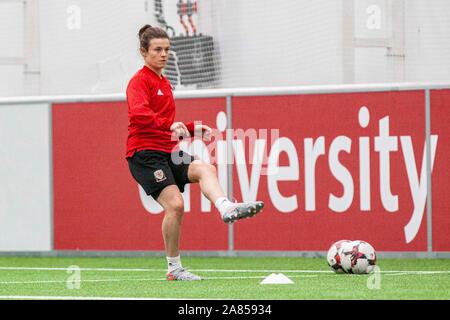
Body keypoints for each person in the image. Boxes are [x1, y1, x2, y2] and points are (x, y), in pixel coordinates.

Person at [126, 25, 264, 281]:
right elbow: (139, 114)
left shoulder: (164, 82)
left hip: (167, 150)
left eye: (167, 49)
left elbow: (166, 121)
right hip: (144, 154)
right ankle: (174, 268)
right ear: (144, 52)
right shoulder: (139, 81)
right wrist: (171, 126)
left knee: (205, 168)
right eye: (157, 49)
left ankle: (225, 208)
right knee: (176, 206)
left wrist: (190, 129)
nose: (164, 54)